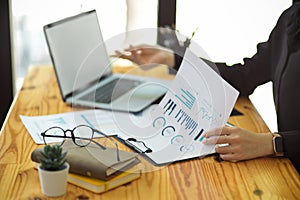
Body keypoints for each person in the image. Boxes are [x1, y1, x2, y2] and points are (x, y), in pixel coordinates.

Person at [116, 2, 300, 173]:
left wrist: (272, 143)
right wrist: (174, 60)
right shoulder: (291, 18)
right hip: (289, 164)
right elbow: (245, 75)